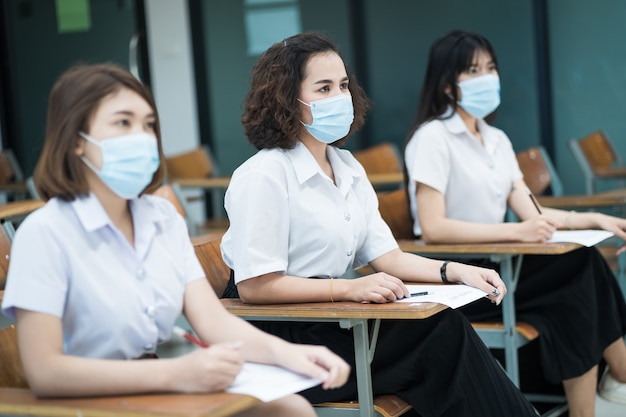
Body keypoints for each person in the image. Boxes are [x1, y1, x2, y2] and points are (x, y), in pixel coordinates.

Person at [0, 63, 351, 417]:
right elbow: (45, 372)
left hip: (162, 386)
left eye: (149, 124)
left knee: (291, 409)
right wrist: (176, 374)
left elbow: (213, 321)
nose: (142, 136)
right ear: (76, 140)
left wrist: (290, 355)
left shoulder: (161, 217)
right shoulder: (44, 233)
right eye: (123, 122)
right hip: (91, 403)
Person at [219, 31, 539, 417]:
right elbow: (255, 286)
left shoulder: (347, 166)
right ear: (287, 100)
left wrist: (455, 271)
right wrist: (350, 289)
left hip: (335, 321)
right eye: (323, 88)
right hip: (286, 334)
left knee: (443, 332)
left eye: (342, 86)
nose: (340, 97)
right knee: (442, 339)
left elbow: (387, 256)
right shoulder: (265, 174)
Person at [404, 29, 626, 417]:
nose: (487, 77)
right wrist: (515, 232)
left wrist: (594, 219)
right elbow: (433, 226)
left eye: (490, 67)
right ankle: (618, 376)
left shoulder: (496, 139)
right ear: (447, 85)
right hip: (461, 278)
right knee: (575, 273)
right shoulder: (432, 138)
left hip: (503, 263)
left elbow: (532, 212)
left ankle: (609, 386)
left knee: (582, 264)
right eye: (473, 70)